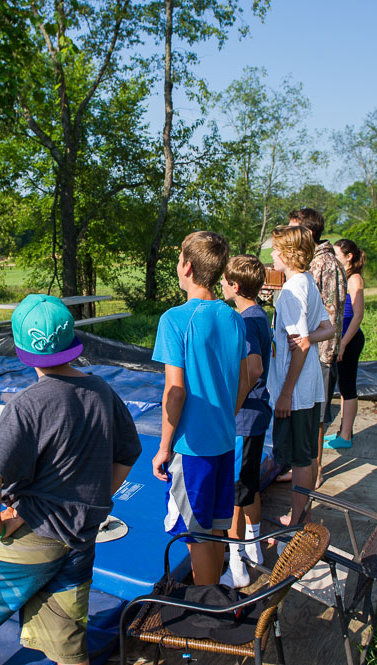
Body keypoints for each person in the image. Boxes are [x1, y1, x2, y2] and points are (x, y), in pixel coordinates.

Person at [0, 294, 142, 665]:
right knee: (66, 637)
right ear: (73, 341)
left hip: (35, 533)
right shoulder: (101, 391)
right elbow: (128, 453)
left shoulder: (28, 404)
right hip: (82, 535)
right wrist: (90, 500)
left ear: (20, 348)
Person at [152, 231, 250, 586]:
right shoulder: (233, 317)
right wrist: (227, 413)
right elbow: (245, 378)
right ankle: (216, 599)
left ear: (188, 267)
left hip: (190, 449)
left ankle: (208, 610)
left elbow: (174, 392)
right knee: (214, 528)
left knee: (194, 536)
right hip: (224, 441)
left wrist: (163, 447)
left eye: (179, 259)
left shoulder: (175, 319)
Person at [266, 226, 334, 526]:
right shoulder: (306, 282)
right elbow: (329, 328)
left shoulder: (292, 292)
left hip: (295, 392)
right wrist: (307, 339)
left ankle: (296, 519)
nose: (271, 255)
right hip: (310, 387)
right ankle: (301, 513)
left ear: (289, 254)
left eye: (275, 249)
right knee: (305, 454)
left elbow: (300, 346)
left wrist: (284, 393)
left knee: (299, 458)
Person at [219, 254, 271, 588]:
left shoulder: (245, 321)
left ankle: (236, 567)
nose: (221, 285)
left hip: (244, 418)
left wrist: (231, 408)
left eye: (224, 281)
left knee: (234, 494)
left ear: (235, 286)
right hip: (256, 415)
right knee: (249, 484)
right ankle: (255, 546)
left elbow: (254, 370)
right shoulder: (259, 314)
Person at [287, 208, 347, 484]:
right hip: (309, 352)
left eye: (292, 230)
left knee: (317, 418)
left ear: (307, 234)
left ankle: (315, 470)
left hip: (319, 355)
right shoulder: (314, 262)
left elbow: (331, 315)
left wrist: (319, 349)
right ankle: (304, 468)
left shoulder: (326, 264)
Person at [331, 239, 367, 447]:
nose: (334, 259)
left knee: (347, 387)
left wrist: (344, 343)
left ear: (348, 256)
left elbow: (358, 315)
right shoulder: (343, 277)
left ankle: (346, 436)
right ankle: (343, 432)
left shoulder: (354, 280)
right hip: (342, 338)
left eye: (337, 254)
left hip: (350, 339)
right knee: (343, 387)